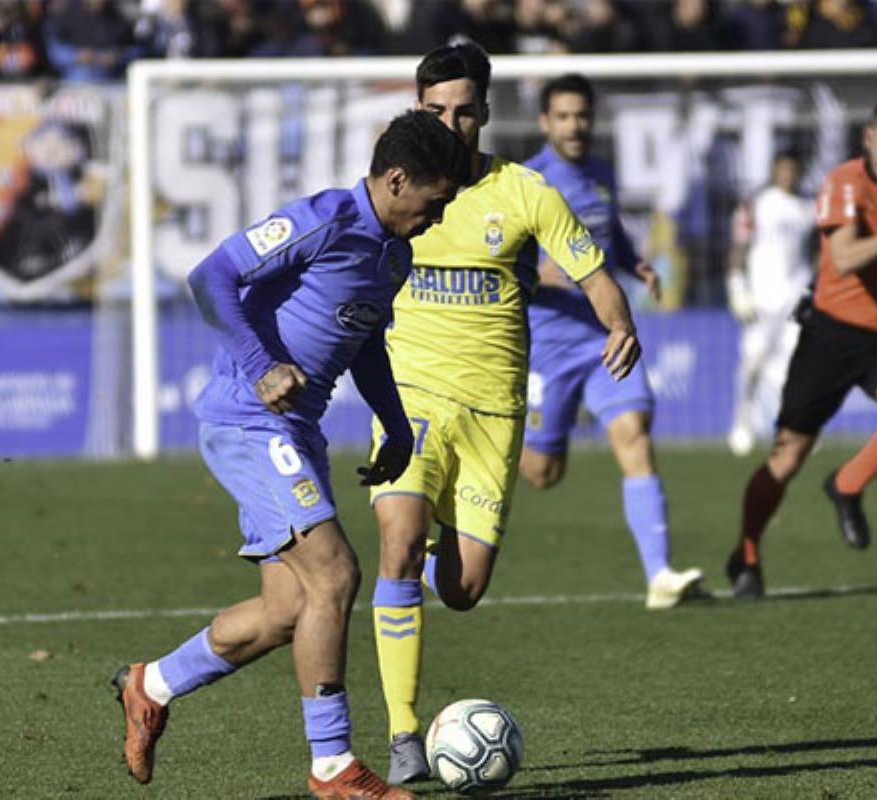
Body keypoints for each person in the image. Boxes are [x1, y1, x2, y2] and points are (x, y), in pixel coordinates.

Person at [111, 110, 469, 800]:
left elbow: (366, 343)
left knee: (287, 610)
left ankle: (150, 685)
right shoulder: (323, 220)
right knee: (335, 574)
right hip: (249, 420)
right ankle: (333, 766)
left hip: (296, 433)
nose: (438, 217)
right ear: (398, 180)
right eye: (435, 201)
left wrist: (395, 425)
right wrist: (262, 366)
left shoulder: (395, 256)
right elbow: (210, 276)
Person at [368, 43, 642, 784]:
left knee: (462, 591)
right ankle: (402, 734)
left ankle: (426, 546)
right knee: (398, 542)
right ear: (417, 110)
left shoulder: (525, 192)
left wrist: (620, 323)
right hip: (410, 397)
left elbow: (594, 274)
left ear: (485, 113)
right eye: (435, 111)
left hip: (493, 413)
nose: (449, 124)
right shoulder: (396, 189)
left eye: (463, 111)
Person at [723, 97, 877, 599]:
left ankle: (846, 483)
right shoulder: (844, 183)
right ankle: (747, 555)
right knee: (788, 456)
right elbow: (842, 258)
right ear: (870, 138)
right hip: (831, 334)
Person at [518, 73, 704, 611]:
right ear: (545, 122)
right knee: (542, 474)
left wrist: (632, 262)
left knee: (633, 432)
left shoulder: (601, 174)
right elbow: (498, 260)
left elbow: (608, 232)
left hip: (606, 337)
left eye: (582, 115)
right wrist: (541, 274)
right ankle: (493, 438)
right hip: (548, 346)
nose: (574, 125)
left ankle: (659, 575)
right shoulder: (526, 182)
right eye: (563, 116)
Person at [726, 149, 816, 456]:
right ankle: (743, 418)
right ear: (774, 171)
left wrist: (812, 286)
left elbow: (816, 250)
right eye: (783, 169)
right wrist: (737, 286)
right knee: (753, 360)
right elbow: (739, 247)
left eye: (794, 170)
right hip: (762, 295)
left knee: (793, 363)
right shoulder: (756, 204)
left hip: (795, 296)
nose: (788, 176)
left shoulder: (808, 207)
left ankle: (792, 428)